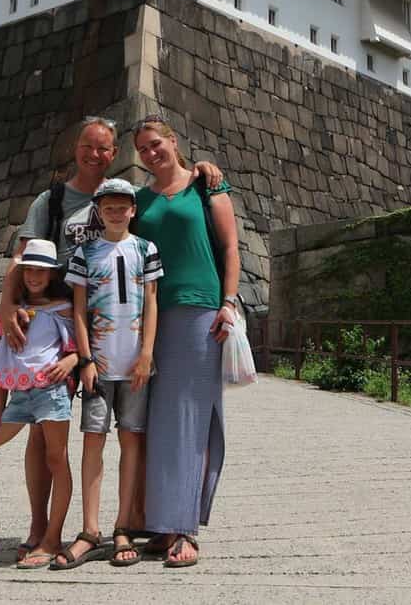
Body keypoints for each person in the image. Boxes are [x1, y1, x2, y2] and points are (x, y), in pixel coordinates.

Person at [0, 116, 224, 560]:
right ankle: (43, 530)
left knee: (129, 431)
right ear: (75, 147)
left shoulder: (133, 201)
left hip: (106, 340)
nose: (96, 154)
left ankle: (131, 521)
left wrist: (202, 168)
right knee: (45, 433)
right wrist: (8, 304)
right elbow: (22, 254)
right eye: (89, 145)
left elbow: (169, 208)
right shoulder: (55, 199)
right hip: (54, 327)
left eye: (105, 149)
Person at [132, 117, 241, 569]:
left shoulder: (207, 185)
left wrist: (229, 303)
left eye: (155, 144)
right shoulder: (137, 201)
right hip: (149, 314)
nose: (150, 153)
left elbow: (231, 247)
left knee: (192, 418)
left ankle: (184, 528)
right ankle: (160, 523)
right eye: (142, 149)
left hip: (200, 310)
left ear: (173, 141)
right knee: (155, 420)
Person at [52, 178, 162, 570]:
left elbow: (151, 302)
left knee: (132, 443)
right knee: (93, 444)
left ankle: (123, 525)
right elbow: (77, 309)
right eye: (109, 206)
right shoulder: (85, 253)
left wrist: (147, 354)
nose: (116, 212)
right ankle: (90, 529)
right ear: (99, 210)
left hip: (135, 365)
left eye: (123, 206)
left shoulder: (146, 249)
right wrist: (84, 359)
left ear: (133, 209)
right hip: (98, 365)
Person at [0, 239, 78, 573]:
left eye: (41, 270)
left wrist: (73, 360)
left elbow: (85, 340)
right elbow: (5, 354)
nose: (34, 276)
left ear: (51, 274)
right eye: (28, 270)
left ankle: (52, 538)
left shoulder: (64, 305)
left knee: (56, 459)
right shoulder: (10, 311)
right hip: (19, 396)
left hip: (51, 392)